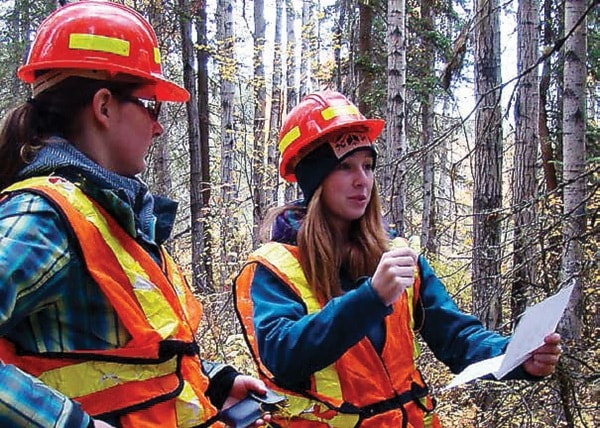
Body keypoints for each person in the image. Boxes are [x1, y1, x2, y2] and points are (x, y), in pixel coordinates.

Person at [0, 1, 269, 427]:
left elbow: (125, 361)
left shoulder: (106, 215)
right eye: (149, 105)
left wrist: (214, 382)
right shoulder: (43, 215)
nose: (158, 126)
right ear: (104, 107)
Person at [233, 90, 563, 427]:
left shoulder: (397, 256)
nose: (362, 180)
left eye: (368, 165)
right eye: (345, 167)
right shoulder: (276, 267)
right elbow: (282, 356)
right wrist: (370, 298)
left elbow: (457, 338)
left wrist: (517, 356)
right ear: (315, 181)